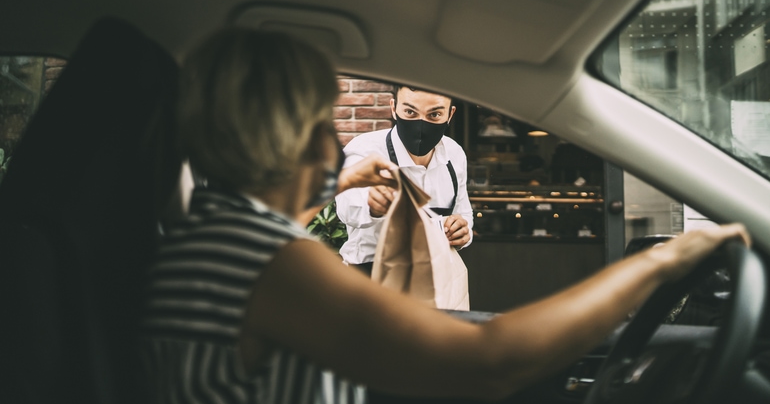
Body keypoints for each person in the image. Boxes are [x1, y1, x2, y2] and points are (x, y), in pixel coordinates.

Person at [141, 27, 750, 404]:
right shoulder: (263, 261)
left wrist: (335, 182)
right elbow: (492, 362)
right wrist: (663, 262)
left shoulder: (215, 238)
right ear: (290, 135)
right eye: (318, 119)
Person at [336, 85, 473, 275]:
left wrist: (463, 231)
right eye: (410, 112)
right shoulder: (365, 149)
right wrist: (372, 204)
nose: (421, 124)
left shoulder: (454, 153)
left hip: (436, 277)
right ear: (393, 108)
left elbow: (463, 213)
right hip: (372, 277)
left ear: (450, 114)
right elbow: (346, 207)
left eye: (434, 115)